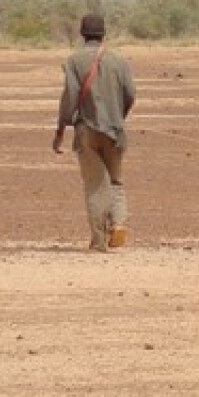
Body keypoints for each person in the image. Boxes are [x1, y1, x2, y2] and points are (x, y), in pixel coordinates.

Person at [53, 15, 136, 252]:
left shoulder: (73, 61)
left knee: (95, 185)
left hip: (86, 132)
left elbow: (70, 96)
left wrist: (60, 129)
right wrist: (118, 116)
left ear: (82, 34)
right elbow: (130, 93)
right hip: (115, 132)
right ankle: (118, 223)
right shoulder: (119, 61)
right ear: (103, 35)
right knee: (116, 181)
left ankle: (99, 241)